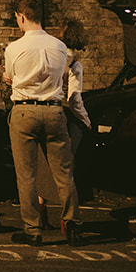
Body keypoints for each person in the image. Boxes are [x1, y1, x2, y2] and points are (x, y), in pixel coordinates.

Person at [4, 0, 83, 246]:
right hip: (54, 110)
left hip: (24, 111)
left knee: (26, 175)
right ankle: (72, 225)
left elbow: (10, 76)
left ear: (22, 17)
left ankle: (32, 230)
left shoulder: (13, 48)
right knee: (64, 173)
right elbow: (61, 76)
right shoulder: (60, 47)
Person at [35, 18, 91, 227]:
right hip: (64, 118)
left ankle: (40, 212)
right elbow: (74, 99)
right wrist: (86, 121)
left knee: (44, 165)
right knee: (66, 169)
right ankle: (67, 221)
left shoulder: (50, 56)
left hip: (42, 111)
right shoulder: (75, 65)